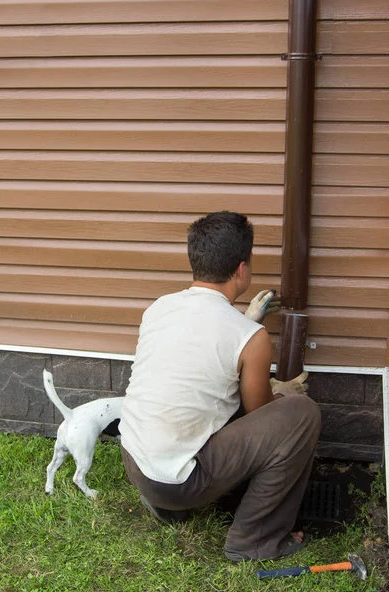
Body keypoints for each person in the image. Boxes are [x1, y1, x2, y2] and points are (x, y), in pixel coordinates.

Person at [119, 211, 320, 561]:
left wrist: (244, 324)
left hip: (136, 464)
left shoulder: (159, 308)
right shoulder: (251, 338)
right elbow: (259, 411)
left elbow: (196, 357)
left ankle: (166, 509)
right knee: (302, 414)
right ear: (242, 269)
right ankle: (253, 540)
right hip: (181, 484)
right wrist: (283, 392)